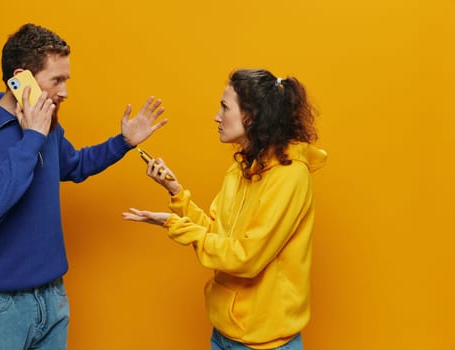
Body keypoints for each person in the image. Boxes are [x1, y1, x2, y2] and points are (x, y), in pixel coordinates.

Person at [0, 23, 167, 350]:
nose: (65, 91)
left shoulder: (48, 123)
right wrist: (32, 138)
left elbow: (75, 165)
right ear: (20, 78)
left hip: (52, 299)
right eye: (57, 80)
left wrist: (122, 142)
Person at [123, 68, 327, 350]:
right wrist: (176, 192)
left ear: (251, 116)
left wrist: (175, 225)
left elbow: (246, 258)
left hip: (265, 344)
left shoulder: (289, 178)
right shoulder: (242, 168)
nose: (217, 117)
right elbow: (218, 234)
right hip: (224, 335)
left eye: (225, 107)